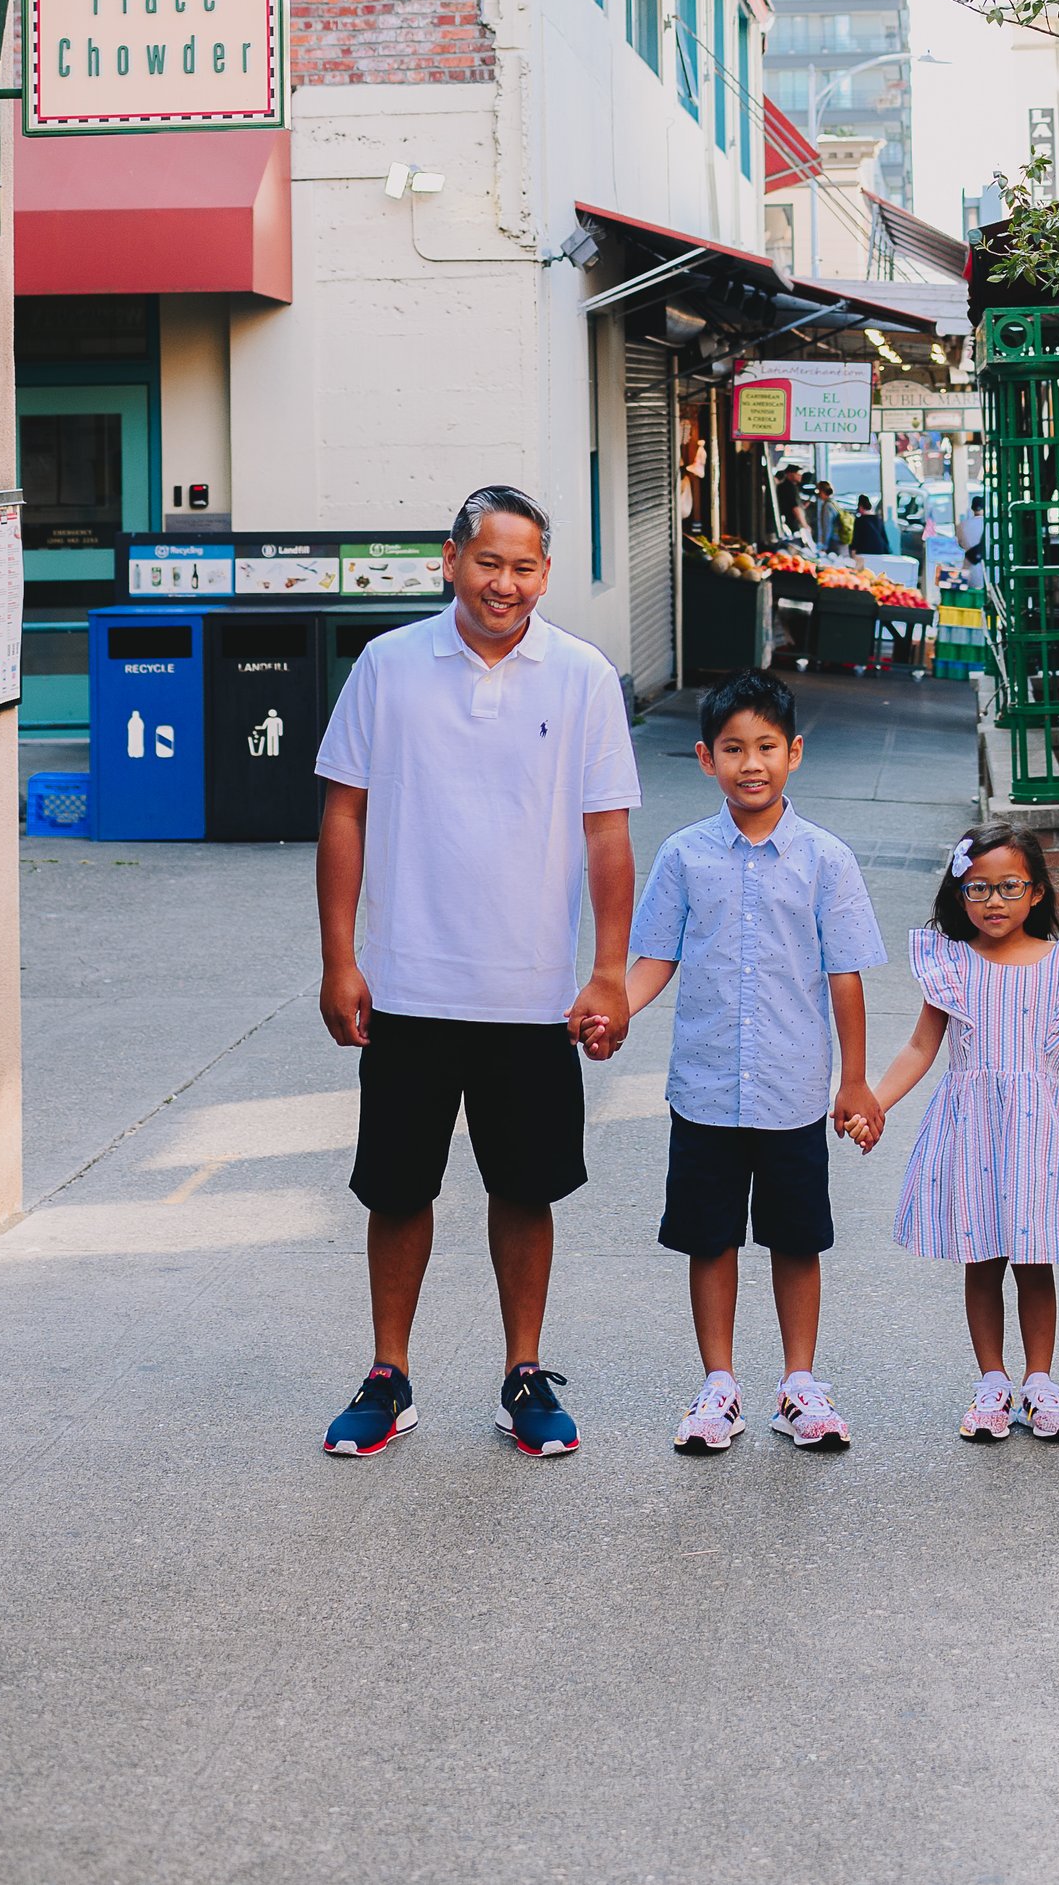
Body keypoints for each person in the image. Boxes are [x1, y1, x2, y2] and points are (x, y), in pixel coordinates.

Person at [314, 484, 639, 1464]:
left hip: (532, 991)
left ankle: (524, 1371)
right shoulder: (388, 666)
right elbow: (344, 814)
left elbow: (608, 832)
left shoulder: (581, 676)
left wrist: (609, 970)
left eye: (525, 565)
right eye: (488, 561)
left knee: (526, 1187)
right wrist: (340, 957)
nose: (506, 583)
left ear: (545, 570)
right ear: (448, 560)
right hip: (409, 983)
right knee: (396, 1188)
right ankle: (387, 1373)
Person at [624, 669, 886, 1455]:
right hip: (704, 1088)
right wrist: (613, 1007)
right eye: (733, 748)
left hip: (793, 1089)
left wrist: (855, 1079)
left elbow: (845, 974)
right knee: (711, 1237)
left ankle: (799, 1385)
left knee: (796, 1237)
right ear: (706, 759)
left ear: (794, 752)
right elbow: (653, 958)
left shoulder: (825, 859)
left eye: (766, 746)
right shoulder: (682, 855)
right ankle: (720, 1384)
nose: (751, 763)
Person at [865, 825, 1059, 1442]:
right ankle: (992, 1382)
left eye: (1009, 886)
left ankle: (1040, 1383)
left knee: (1035, 1262)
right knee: (982, 1258)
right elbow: (921, 1048)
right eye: (978, 888)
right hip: (972, 1128)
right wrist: (874, 1102)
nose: (994, 900)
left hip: (1039, 1135)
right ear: (959, 894)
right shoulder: (949, 965)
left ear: (1036, 893)